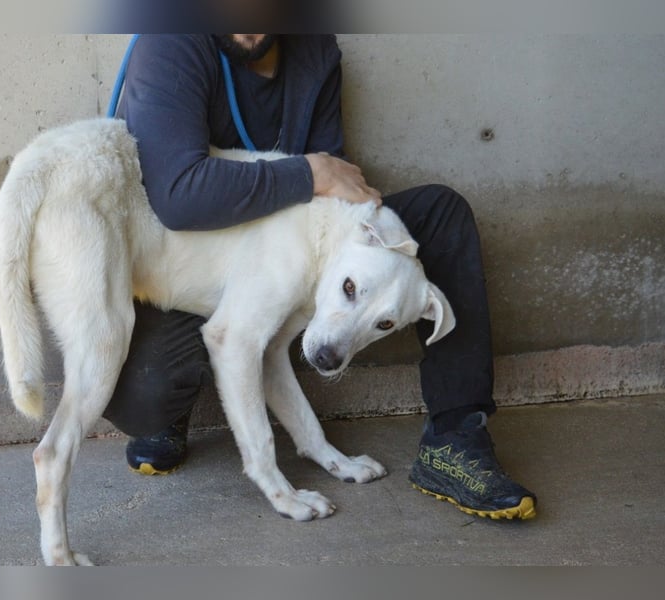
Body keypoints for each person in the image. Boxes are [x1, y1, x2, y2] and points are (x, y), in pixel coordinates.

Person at [102, 34, 537, 520]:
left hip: (275, 265)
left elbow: (334, 196)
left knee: (441, 213)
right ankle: (177, 406)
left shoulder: (314, 49)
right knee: (146, 393)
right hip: (175, 271)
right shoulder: (171, 37)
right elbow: (177, 194)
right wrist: (309, 173)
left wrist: (328, 194)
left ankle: (456, 438)